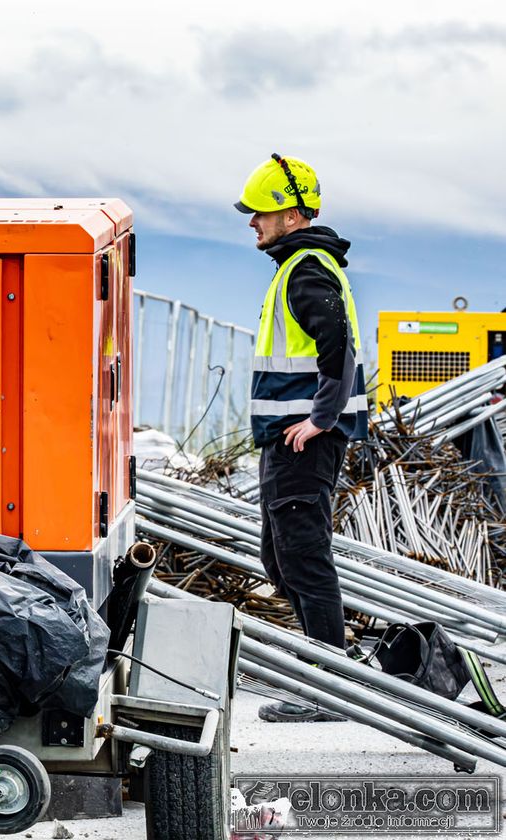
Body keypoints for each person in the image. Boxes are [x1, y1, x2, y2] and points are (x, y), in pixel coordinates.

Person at [236, 154, 368, 722]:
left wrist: (321, 417)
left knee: (302, 555)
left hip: (304, 439)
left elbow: (336, 342)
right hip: (286, 437)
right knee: (280, 555)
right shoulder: (295, 264)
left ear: (290, 215)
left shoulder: (307, 267)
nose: (252, 222)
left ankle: (330, 686)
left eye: (260, 213)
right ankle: (332, 659)